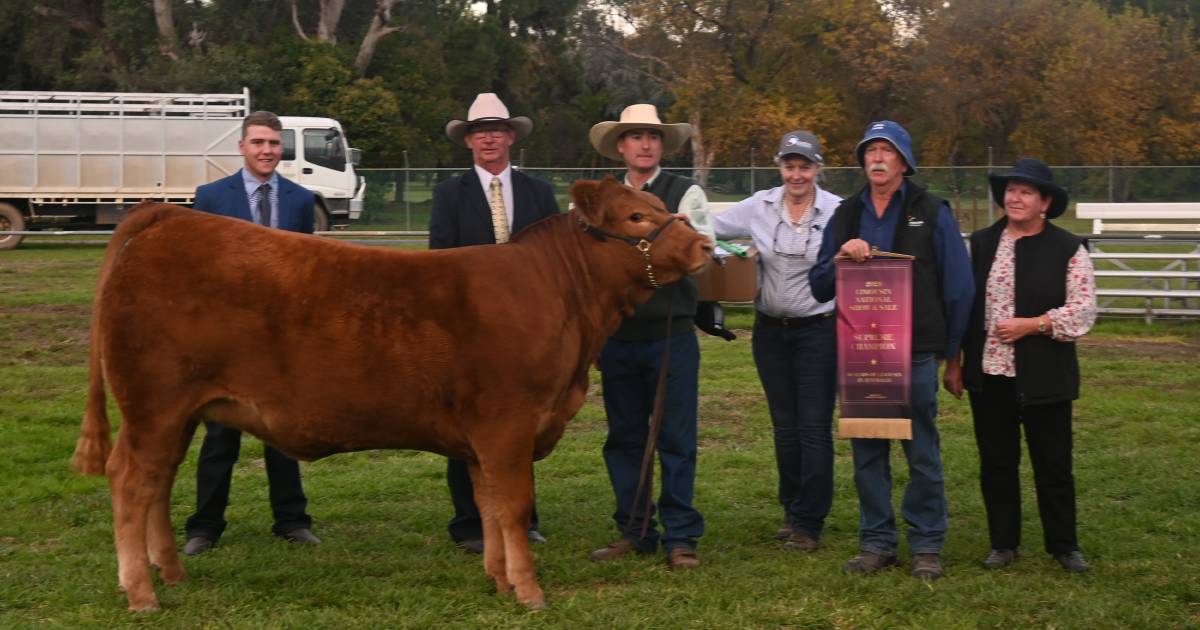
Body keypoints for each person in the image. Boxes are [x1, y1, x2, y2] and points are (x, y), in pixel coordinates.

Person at [809, 120, 974, 580]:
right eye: (870, 151)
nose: (877, 158)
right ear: (863, 160)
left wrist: (955, 355)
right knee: (868, 451)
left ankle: (926, 544)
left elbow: (959, 287)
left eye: (886, 150)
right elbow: (818, 283)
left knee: (921, 449)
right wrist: (841, 257)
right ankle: (876, 542)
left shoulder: (933, 210)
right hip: (861, 352)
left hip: (918, 351)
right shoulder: (844, 215)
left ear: (903, 161)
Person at [945, 158, 1096, 573]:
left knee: (1053, 465)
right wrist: (955, 362)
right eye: (1011, 190)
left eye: (1026, 191)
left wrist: (1034, 325)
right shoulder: (979, 243)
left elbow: (1083, 312)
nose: (1015, 197)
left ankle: (1064, 545)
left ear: (1045, 202)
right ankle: (1003, 543)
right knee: (996, 464)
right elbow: (961, 306)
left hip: (1045, 375)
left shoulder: (1068, 248)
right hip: (989, 374)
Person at [183, 110, 320, 555]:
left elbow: (309, 272)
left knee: (284, 431)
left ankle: (292, 520)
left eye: (274, 144)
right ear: (241, 146)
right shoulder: (210, 198)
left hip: (282, 341)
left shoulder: (301, 200)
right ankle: (205, 527)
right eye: (258, 142)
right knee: (221, 434)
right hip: (228, 341)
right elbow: (198, 274)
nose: (267, 151)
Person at [428, 92, 560, 553]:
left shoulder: (539, 194)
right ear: (469, 141)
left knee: (519, 424)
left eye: (496, 130)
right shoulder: (449, 196)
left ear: (510, 138)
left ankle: (526, 519)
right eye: (479, 130)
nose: (489, 137)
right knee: (462, 423)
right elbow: (438, 265)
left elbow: (554, 266)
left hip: (525, 333)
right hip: (467, 332)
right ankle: (468, 522)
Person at [586, 103, 715, 570]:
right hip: (618, 334)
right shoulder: (604, 201)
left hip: (670, 331)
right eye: (636, 136)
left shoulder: (685, 192)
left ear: (662, 145)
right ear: (620, 146)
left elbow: (701, 249)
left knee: (675, 436)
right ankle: (635, 530)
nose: (645, 144)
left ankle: (681, 535)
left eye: (653, 137)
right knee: (624, 437)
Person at [710, 130, 841, 552]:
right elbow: (708, 225)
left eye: (804, 166)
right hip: (770, 330)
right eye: (789, 165)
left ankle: (810, 522)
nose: (796, 174)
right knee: (785, 428)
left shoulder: (837, 211)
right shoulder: (760, 205)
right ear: (779, 167)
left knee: (814, 428)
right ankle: (792, 509)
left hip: (818, 331)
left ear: (818, 169)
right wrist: (726, 248)